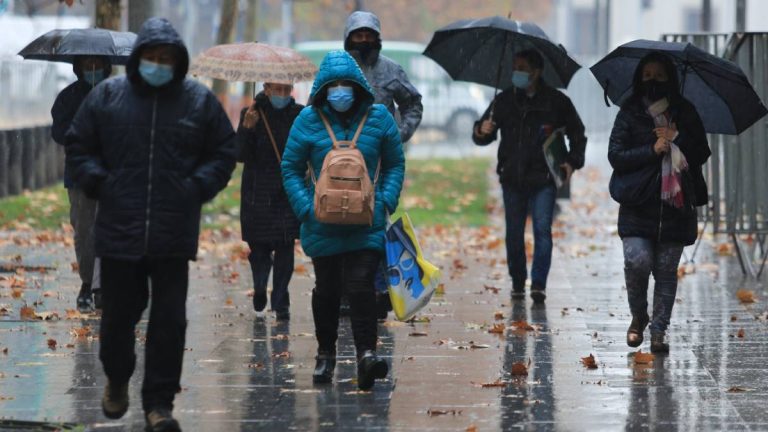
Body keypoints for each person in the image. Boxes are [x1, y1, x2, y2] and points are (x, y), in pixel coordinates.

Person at [66, 18, 236, 431]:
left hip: (172, 233)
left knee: (169, 321)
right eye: (151, 57)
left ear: (178, 63)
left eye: (166, 59)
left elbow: (223, 151)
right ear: (138, 58)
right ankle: (118, 377)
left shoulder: (198, 101)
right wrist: (99, 182)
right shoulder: (108, 97)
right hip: (119, 231)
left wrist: (197, 186)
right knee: (119, 316)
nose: (158, 64)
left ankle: (159, 404)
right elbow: (78, 143)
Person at [281, 50, 404, 390]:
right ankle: (326, 354)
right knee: (328, 290)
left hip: (366, 222)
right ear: (322, 88)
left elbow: (395, 163)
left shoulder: (379, 118)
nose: (339, 91)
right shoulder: (307, 121)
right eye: (332, 85)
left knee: (362, 285)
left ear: (357, 86)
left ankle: (366, 354)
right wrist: (307, 208)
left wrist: (384, 202)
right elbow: (290, 169)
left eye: (345, 84)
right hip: (322, 224)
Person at [608, 52, 710, 353]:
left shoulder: (685, 111)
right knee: (637, 261)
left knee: (666, 271)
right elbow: (616, 156)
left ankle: (659, 332)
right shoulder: (630, 112)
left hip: (675, 207)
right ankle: (639, 315)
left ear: (671, 80)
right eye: (648, 76)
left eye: (660, 76)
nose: (653, 82)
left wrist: (678, 139)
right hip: (637, 203)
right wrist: (652, 149)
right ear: (640, 78)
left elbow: (701, 152)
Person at [473, 49, 587, 303]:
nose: (517, 72)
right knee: (513, 233)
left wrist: (571, 162)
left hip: (543, 178)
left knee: (542, 230)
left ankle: (538, 284)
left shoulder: (556, 101)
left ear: (536, 72)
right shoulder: (503, 101)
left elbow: (577, 133)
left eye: (522, 68)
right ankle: (517, 281)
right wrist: (482, 130)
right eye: (515, 67)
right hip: (512, 177)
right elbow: (483, 135)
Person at [344, 11, 423, 319]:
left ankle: (378, 291)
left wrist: (400, 134)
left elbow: (413, 103)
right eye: (357, 35)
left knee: (377, 225)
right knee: (343, 226)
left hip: (381, 164)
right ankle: (346, 292)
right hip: (343, 164)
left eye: (368, 35)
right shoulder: (340, 70)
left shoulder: (392, 70)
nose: (363, 40)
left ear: (376, 38)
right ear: (349, 38)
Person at [237, 82, 303, 321]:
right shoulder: (252, 113)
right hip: (257, 193)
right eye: (277, 89)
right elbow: (240, 154)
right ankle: (260, 286)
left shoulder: (299, 114)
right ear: (266, 88)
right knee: (260, 250)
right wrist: (246, 128)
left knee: (286, 247)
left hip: (287, 190)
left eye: (286, 89)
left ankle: (281, 300)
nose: (282, 94)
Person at [51, 55, 111, 313]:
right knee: (84, 231)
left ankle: (103, 286)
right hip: (78, 176)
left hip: (111, 175)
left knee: (108, 229)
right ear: (79, 67)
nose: (93, 69)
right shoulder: (68, 97)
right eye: (89, 64)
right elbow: (59, 132)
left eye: (99, 64)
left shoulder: (117, 94)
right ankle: (88, 282)